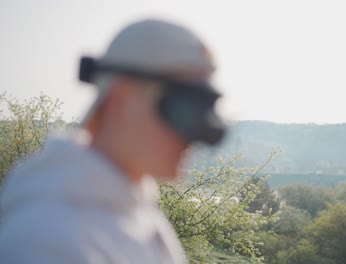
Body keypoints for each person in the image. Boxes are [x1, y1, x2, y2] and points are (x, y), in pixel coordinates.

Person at [0, 19, 226, 263]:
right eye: (186, 108)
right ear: (120, 100)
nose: (196, 135)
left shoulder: (139, 215)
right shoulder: (47, 239)